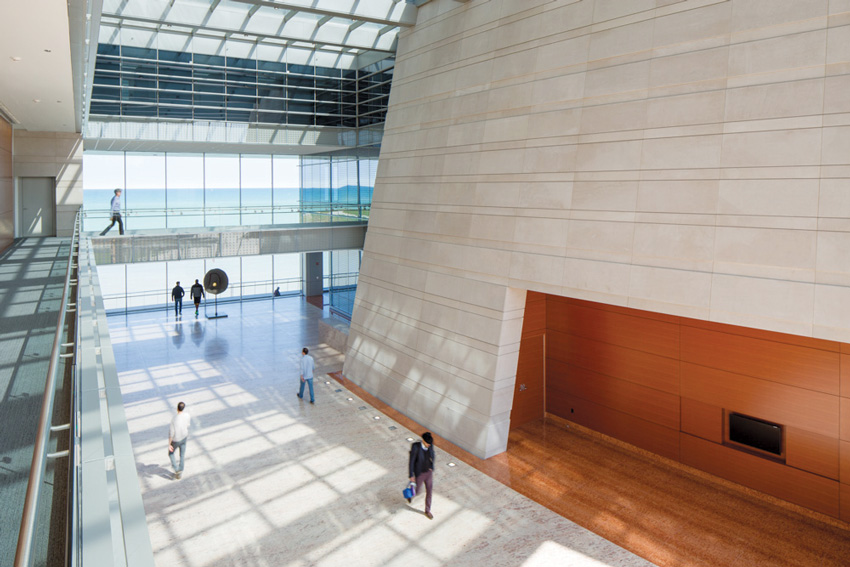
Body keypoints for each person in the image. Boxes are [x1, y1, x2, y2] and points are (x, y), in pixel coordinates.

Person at [408, 432, 435, 519]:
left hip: (428, 473)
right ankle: (410, 495)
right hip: (419, 473)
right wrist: (411, 475)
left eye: (430, 444)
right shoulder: (416, 446)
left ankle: (427, 510)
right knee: (417, 491)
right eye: (427, 443)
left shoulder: (430, 445)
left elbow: (432, 455)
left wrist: (431, 467)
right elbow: (411, 461)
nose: (428, 445)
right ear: (423, 441)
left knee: (429, 491)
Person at [168, 401, 191, 480]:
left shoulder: (174, 419)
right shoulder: (187, 415)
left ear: (177, 408)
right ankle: (180, 470)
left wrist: (169, 444)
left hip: (176, 440)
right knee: (182, 455)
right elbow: (188, 425)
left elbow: (171, 433)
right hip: (184, 437)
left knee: (171, 453)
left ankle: (177, 469)